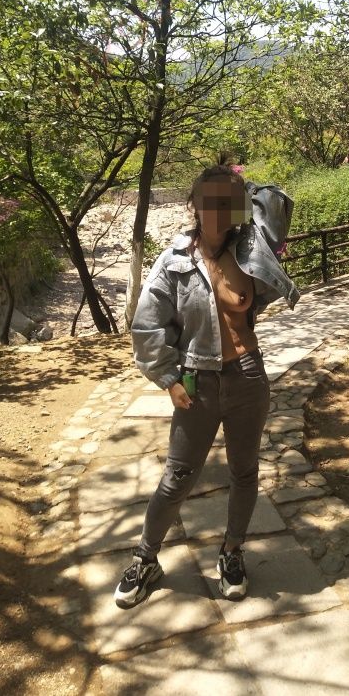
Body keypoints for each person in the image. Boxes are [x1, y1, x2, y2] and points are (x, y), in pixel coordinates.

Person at [114, 156, 300, 608]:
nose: (218, 211)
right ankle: (145, 558)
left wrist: (239, 186)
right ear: (193, 205)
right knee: (177, 477)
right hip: (197, 380)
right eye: (208, 202)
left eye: (227, 202)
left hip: (248, 376)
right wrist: (169, 379)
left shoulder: (253, 248)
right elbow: (147, 327)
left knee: (244, 472)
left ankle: (231, 552)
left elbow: (278, 201)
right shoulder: (173, 261)